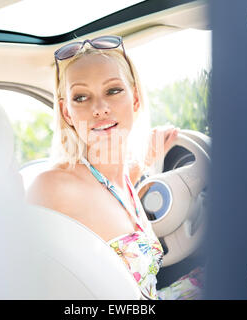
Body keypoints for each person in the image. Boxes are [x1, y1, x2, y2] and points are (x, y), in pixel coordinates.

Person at [26, 35, 204, 300]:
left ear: (135, 100)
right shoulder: (53, 187)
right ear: (67, 113)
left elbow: (110, 187)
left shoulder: (123, 182)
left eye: (113, 90)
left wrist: (147, 158)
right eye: (81, 97)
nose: (100, 108)